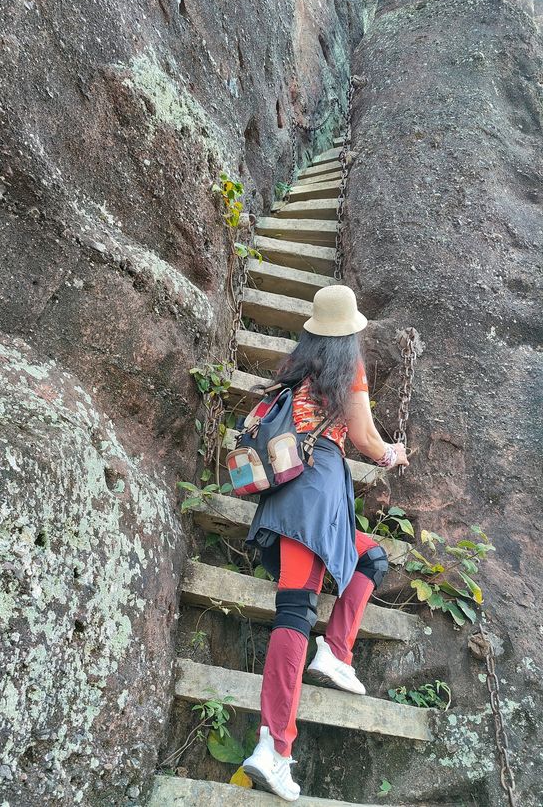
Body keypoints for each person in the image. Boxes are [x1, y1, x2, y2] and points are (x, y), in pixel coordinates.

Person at [241, 284, 409, 802]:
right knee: (294, 612)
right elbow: (365, 437)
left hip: (300, 493)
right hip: (317, 492)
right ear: (352, 331)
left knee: (371, 556)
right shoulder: (348, 368)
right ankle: (274, 749)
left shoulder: (301, 364)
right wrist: (392, 457)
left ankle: (336, 652)